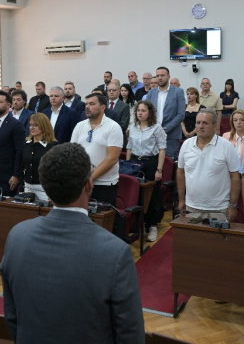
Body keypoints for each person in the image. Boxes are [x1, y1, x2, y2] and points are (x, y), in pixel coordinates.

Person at [0, 143, 144, 343]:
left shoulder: (17, 236)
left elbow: (12, 318)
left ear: (46, 188)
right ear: (89, 184)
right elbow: (130, 335)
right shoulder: (116, 253)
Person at [177, 108, 240, 223]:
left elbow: (235, 177)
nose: (200, 126)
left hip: (219, 209)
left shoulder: (226, 146)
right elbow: (180, 172)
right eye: (198, 123)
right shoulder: (186, 145)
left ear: (215, 126)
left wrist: (233, 205)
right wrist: (181, 200)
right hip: (192, 207)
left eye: (205, 123)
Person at [70, 93, 124, 204]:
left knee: (101, 215)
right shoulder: (80, 126)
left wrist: (90, 178)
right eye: (86, 104)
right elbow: (72, 153)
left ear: (103, 107)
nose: (87, 107)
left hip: (104, 184)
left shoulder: (113, 127)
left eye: (92, 104)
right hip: (81, 182)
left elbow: (112, 159)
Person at [127, 100, 167, 241]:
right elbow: (129, 148)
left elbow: (162, 149)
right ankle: (139, 224)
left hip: (151, 163)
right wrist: (128, 166)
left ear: (149, 113)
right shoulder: (133, 127)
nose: (140, 113)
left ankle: (152, 225)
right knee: (136, 194)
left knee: (152, 196)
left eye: (143, 110)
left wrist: (159, 170)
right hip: (135, 163)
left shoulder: (156, 128)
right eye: (138, 110)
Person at [147, 66, 186, 158]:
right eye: (157, 76)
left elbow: (181, 114)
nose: (160, 78)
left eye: (162, 75)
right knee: (153, 162)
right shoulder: (151, 93)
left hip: (171, 135)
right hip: (153, 135)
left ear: (168, 76)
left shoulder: (178, 92)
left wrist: (165, 129)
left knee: (169, 162)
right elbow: (147, 113)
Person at [21, 113, 59, 201]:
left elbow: (56, 171)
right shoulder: (26, 144)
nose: (32, 128)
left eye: (35, 125)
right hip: (28, 187)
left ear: (44, 126)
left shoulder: (52, 146)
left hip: (45, 189)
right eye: (30, 125)